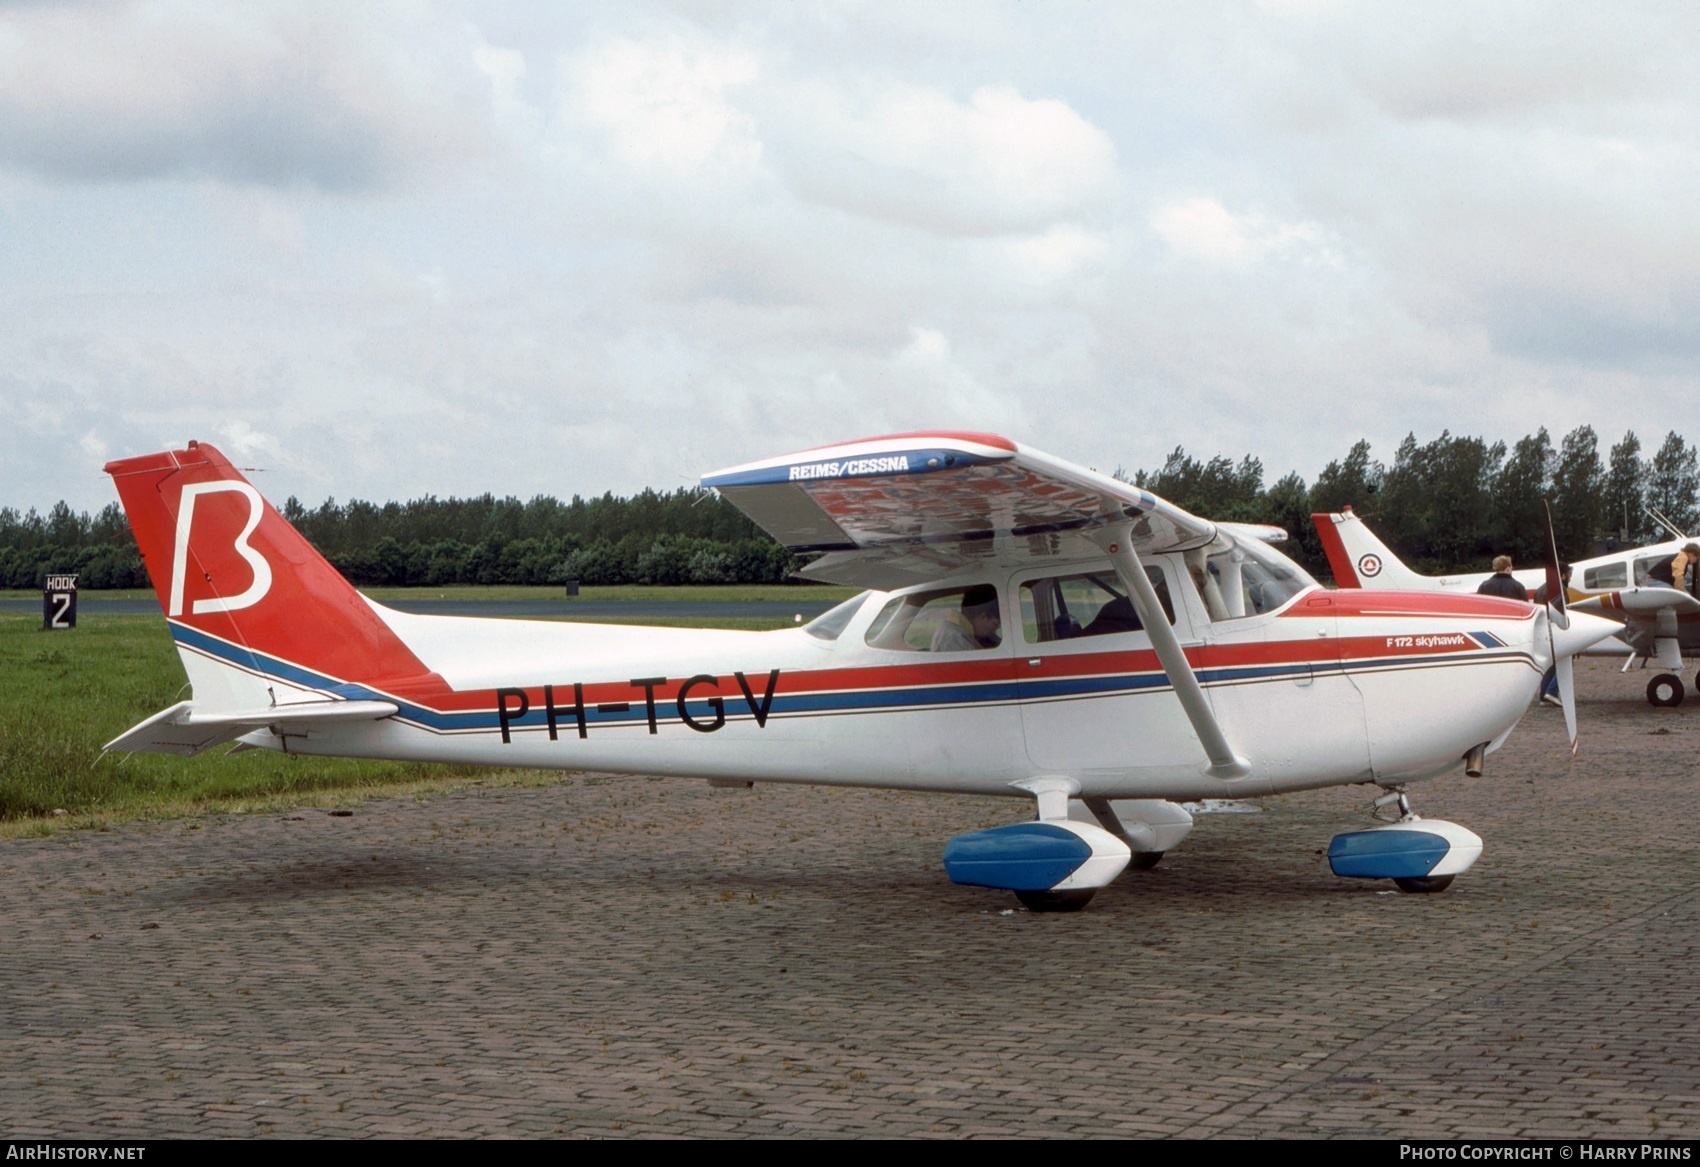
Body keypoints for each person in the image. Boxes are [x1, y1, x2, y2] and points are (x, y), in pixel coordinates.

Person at [930, 585, 1001, 651]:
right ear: (983, 616)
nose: (993, 631)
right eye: (994, 625)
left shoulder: (963, 632)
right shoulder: (955, 637)